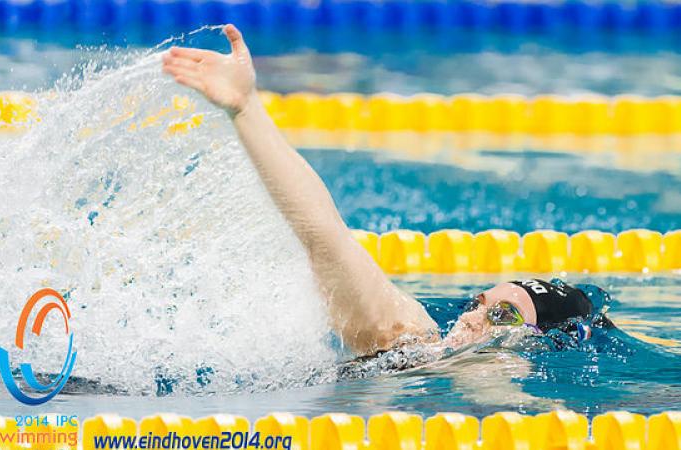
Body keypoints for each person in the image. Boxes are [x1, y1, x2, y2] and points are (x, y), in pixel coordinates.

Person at [161, 25, 613, 358]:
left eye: (502, 317)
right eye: (480, 303)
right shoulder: (405, 336)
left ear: (537, 346)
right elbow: (324, 237)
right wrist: (246, 109)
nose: (472, 318)